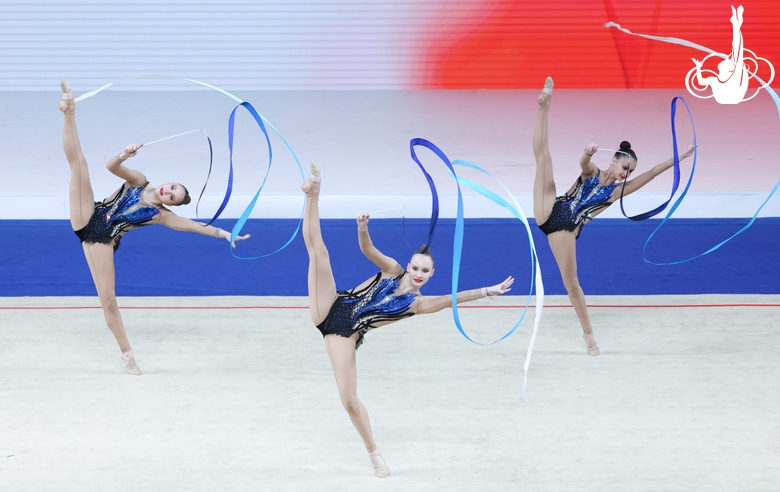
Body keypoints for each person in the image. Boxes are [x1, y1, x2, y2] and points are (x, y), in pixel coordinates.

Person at [300, 162, 513, 478]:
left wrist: (488, 290)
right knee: (319, 254)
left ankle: (373, 452)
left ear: (431, 274)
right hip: (332, 304)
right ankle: (313, 192)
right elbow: (367, 248)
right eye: (416, 267)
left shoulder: (418, 304)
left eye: (425, 271)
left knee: (348, 399)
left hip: (344, 333)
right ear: (410, 265)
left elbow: (453, 299)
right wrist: (362, 227)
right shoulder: (392, 269)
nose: (418, 273)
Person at [58, 80, 249, 375]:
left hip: (100, 240)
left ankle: (128, 355)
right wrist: (125, 155)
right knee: (79, 164)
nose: (168, 192)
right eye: (172, 187)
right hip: (89, 213)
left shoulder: (160, 215)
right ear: (168, 181)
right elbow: (111, 166)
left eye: (173, 196)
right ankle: (68, 110)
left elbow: (194, 227)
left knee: (109, 301)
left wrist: (226, 234)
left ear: (171, 203)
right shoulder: (140, 180)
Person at [532, 77, 695, 356]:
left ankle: (588, 335)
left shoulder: (616, 193)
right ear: (613, 160)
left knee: (572, 284)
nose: (626, 173)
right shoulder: (593, 171)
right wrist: (586, 153)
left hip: (566, 230)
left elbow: (653, 172)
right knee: (543, 157)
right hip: (550, 208)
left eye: (629, 171)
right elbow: (583, 164)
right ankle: (544, 105)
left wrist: (681, 157)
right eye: (624, 167)